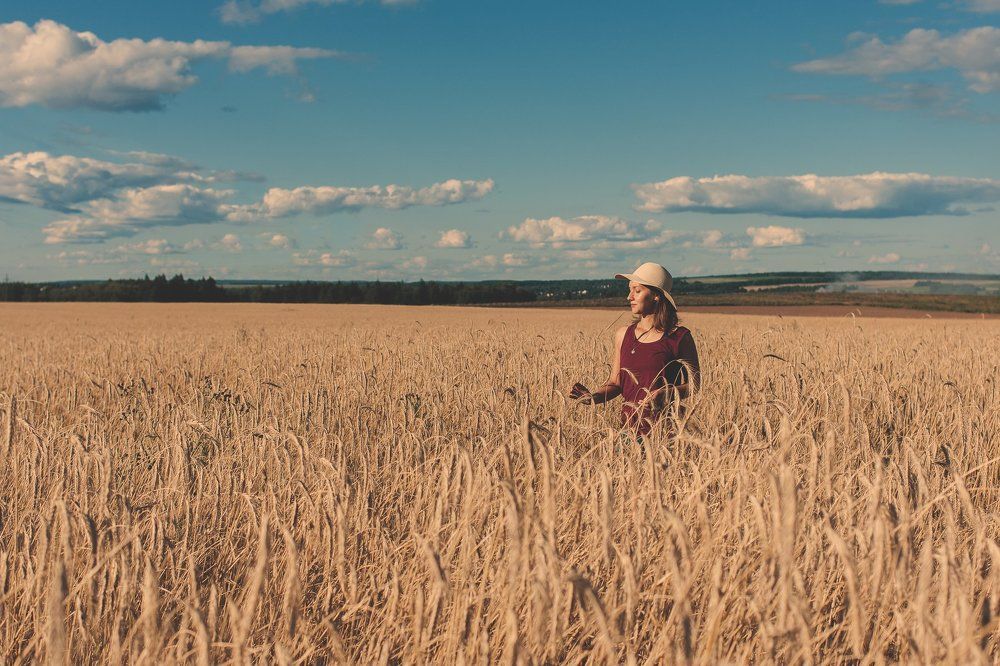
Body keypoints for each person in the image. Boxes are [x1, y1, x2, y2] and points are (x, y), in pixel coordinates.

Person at [569, 262, 700, 438]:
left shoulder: (680, 337)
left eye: (637, 291)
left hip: (666, 434)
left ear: (656, 296)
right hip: (628, 432)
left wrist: (665, 394)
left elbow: (694, 385)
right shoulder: (623, 335)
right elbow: (615, 383)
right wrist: (593, 398)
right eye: (630, 290)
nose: (629, 297)